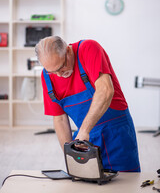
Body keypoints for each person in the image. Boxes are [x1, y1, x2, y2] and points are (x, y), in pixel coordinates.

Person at [35, 36, 141, 172]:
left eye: (61, 67)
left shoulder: (89, 49)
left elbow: (105, 91)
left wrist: (85, 130)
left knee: (126, 185)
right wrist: (70, 153)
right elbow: (60, 119)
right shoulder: (47, 77)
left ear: (68, 50)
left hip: (116, 134)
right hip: (85, 141)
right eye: (52, 72)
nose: (59, 75)